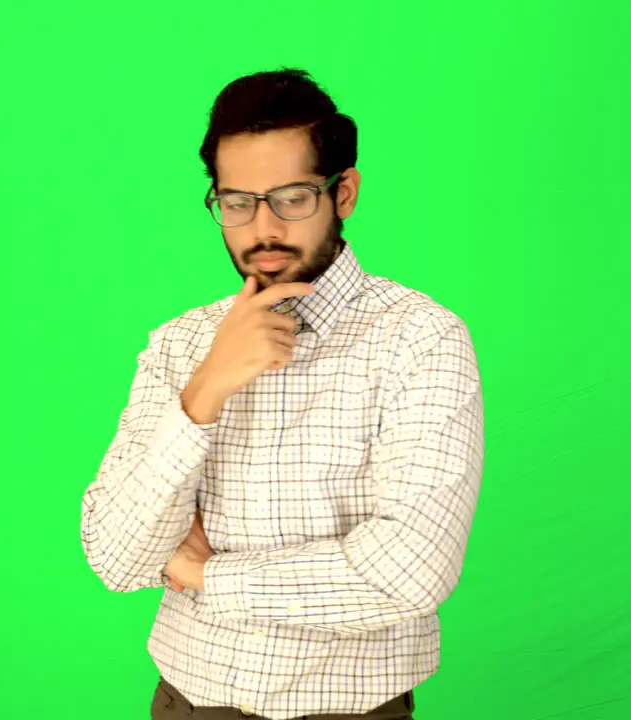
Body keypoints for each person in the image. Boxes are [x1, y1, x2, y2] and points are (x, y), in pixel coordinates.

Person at [80, 68, 485, 720]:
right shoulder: (181, 346)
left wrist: (204, 575)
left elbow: (409, 573)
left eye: (291, 198)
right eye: (237, 202)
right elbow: (115, 557)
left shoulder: (421, 339)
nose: (261, 227)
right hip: (185, 704)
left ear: (343, 192)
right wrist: (207, 389)